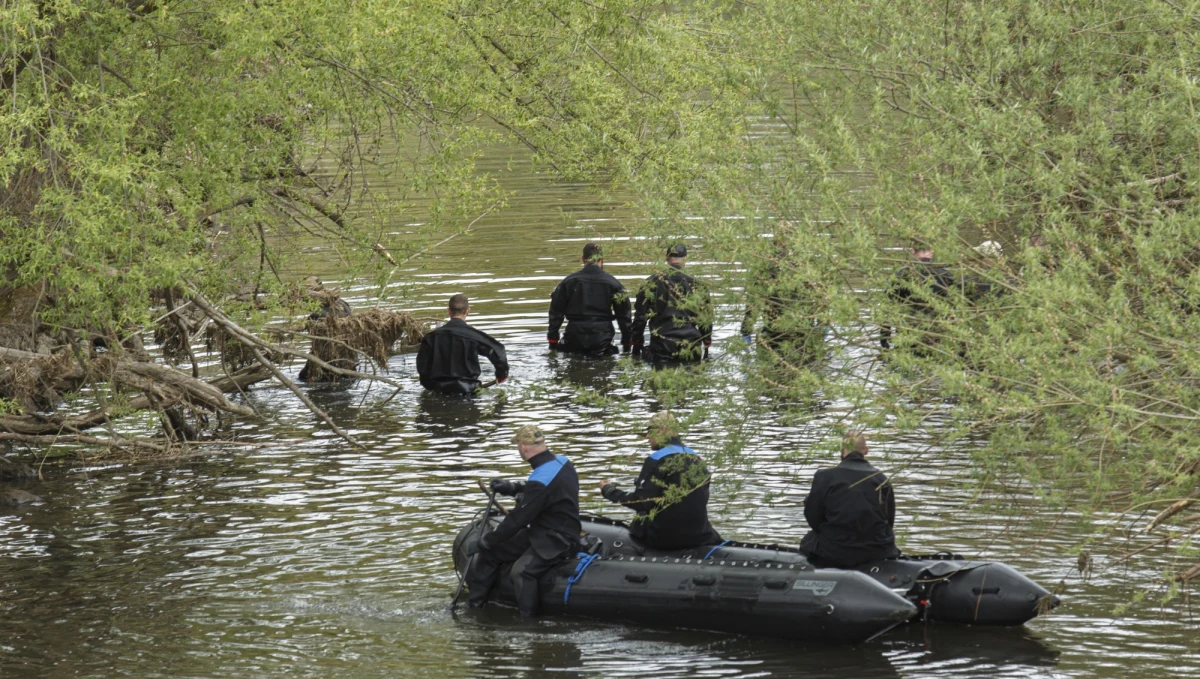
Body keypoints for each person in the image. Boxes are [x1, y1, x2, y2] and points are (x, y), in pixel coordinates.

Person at [466, 425, 581, 617]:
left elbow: (517, 519)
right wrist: (513, 487)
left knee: (522, 572)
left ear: (523, 447)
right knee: (491, 554)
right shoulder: (563, 462)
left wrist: (486, 541)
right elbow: (544, 490)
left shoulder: (540, 480)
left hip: (556, 541)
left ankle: (528, 623)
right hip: (549, 530)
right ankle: (474, 607)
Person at [599, 412, 722, 551]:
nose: (647, 436)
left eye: (650, 431)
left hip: (665, 539)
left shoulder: (657, 459)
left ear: (664, 430)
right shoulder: (697, 460)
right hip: (700, 535)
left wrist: (609, 491)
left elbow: (640, 502)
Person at [799, 431, 900, 568]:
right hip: (877, 551)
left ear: (841, 451)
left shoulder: (825, 477)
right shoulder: (882, 480)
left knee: (809, 540)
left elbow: (812, 517)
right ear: (866, 450)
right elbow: (889, 521)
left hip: (835, 551)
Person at [631, 244, 713, 363]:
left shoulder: (651, 282)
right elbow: (705, 319)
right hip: (690, 343)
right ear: (686, 258)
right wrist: (707, 340)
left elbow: (640, 317)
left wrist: (637, 343)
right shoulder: (697, 285)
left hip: (662, 343)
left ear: (666, 257)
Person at [547, 242, 632, 356]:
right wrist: (627, 346)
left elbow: (556, 313)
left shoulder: (569, 282)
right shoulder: (613, 284)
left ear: (583, 259)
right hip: (602, 337)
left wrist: (553, 343)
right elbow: (624, 317)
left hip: (574, 336)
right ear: (602, 259)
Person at [416, 294, 509, 395]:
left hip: (440, 391)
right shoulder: (474, 336)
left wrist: (430, 386)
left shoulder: (431, 337)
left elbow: (422, 369)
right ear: (468, 311)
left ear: (449, 311)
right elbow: (498, 351)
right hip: (469, 392)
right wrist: (501, 375)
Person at [880, 244, 952, 350]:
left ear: (912, 251)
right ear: (932, 251)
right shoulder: (946, 276)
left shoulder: (902, 274)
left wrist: (884, 337)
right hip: (937, 334)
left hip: (907, 332)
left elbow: (889, 307)